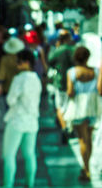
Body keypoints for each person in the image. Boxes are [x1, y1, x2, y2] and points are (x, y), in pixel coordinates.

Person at [2, 49, 42, 188]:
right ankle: (29, 184)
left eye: (18, 61)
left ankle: (8, 185)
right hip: (32, 121)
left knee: (9, 155)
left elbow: (10, 100)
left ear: (26, 62)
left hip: (17, 120)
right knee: (30, 154)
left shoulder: (19, 79)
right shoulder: (36, 79)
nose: (16, 64)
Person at [65, 46, 100, 181]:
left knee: (82, 140)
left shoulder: (72, 72)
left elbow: (70, 92)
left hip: (79, 108)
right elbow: (99, 89)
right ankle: (88, 168)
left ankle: (86, 170)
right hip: (93, 107)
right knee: (89, 139)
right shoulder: (95, 71)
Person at [48, 31, 74, 140]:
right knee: (69, 105)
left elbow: (50, 61)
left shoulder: (57, 51)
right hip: (71, 82)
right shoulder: (73, 50)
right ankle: (69, 127)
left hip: (60, 82)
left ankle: (64, 128)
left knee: (60, 107)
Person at [0, 37, 25, 116]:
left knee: (9, 106)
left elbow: (1, 72)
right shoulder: (22, 59)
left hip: (8, 86)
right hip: (20, 85)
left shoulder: (4, 59)